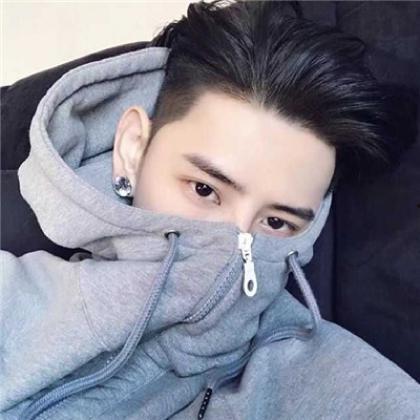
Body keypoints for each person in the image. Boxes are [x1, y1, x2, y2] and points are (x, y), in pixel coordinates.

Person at [1, 1, 419, 419]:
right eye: (204, 189)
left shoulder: (347, 389)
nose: (234, 242)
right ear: (133, 149)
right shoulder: (10, 293)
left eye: (276, 222)